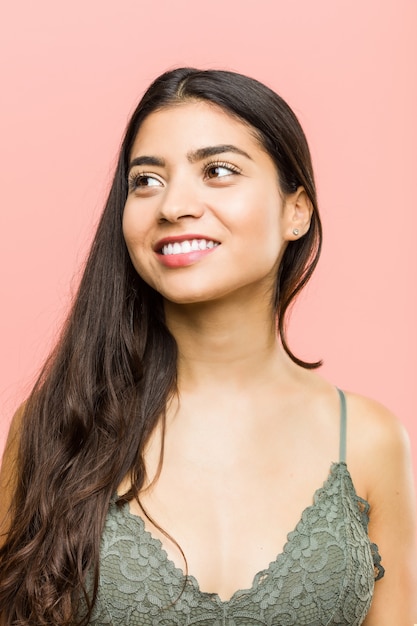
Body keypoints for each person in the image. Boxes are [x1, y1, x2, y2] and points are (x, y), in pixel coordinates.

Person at [0, 68, 416, 626]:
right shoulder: (54, 426)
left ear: (297, 211)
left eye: (217, 171)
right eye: (146, 180)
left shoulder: (369, 440)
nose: (173, 205)